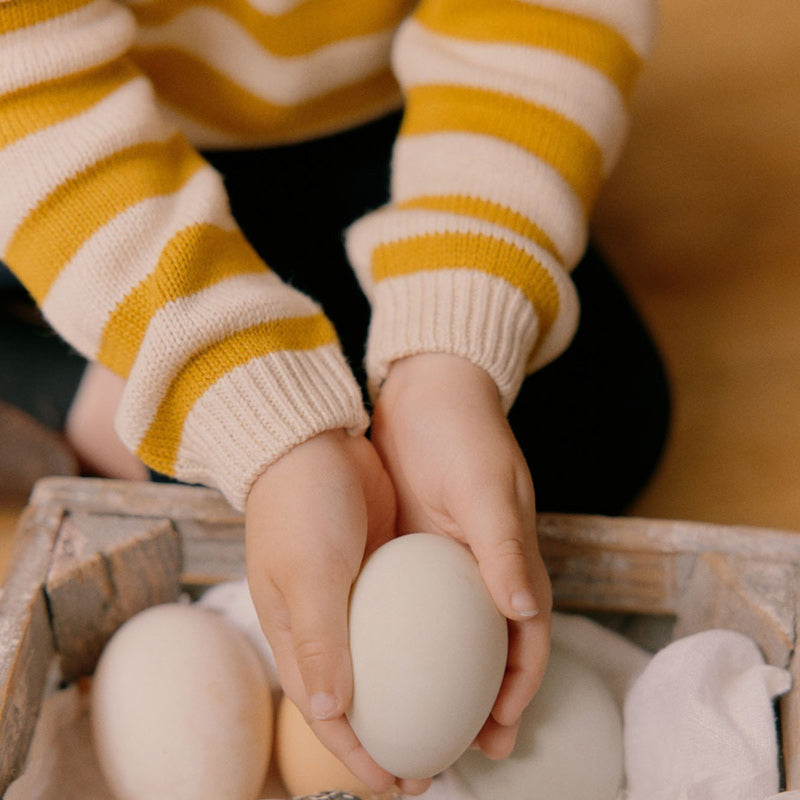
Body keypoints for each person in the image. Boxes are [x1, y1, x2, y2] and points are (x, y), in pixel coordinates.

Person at [0, 0, 667, 794]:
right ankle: (57, 386)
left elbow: (539, 24)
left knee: (599, 428)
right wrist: (255, 407)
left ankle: (105, 394)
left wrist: (444, 364)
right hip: (82, 132)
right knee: (310, 498)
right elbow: (30, 95)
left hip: (381, 107)